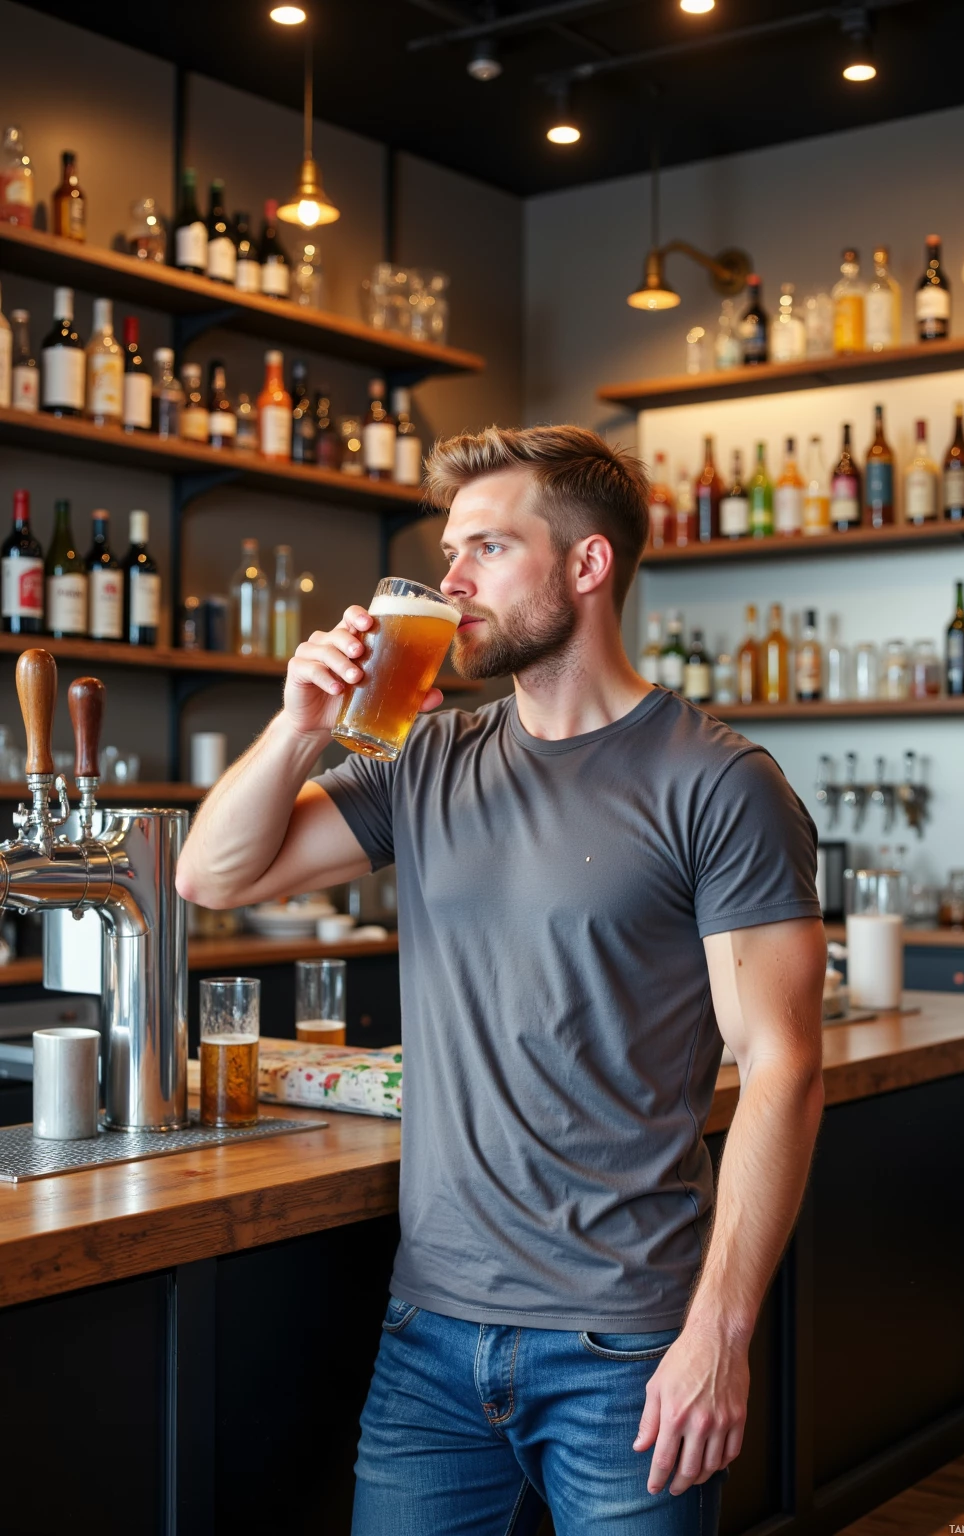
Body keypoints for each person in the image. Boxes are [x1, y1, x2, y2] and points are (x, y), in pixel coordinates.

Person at [176, 424, 825, 1535]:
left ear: (586, 566)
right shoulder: (426, 759)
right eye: (449, 553)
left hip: (625, 1344)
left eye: (487, 548)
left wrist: (716, 1338)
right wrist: (297, 729)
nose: (452, 581)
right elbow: (210, 874)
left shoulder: (718, 783)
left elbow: (782, 1067)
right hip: (428, 1334)